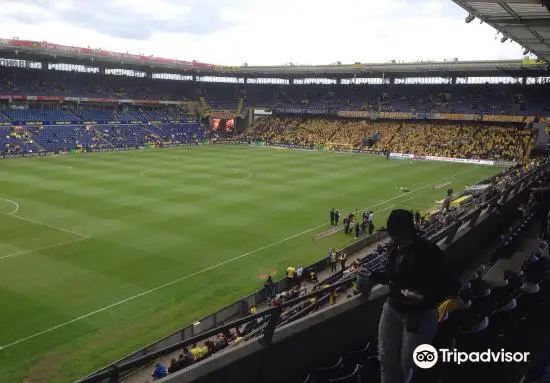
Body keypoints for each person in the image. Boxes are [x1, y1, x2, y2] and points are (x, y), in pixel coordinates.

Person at [363, 209, 459, 383]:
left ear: (405, 231)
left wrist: (424, 298)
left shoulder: (428, 251)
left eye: (393, 232)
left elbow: (451, 284)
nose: (391, 236)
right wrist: (374, 277)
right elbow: (393, 275)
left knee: (410, 368)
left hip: (419, 315)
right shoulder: (394, 248)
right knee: (386, 360)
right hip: (393, 308)